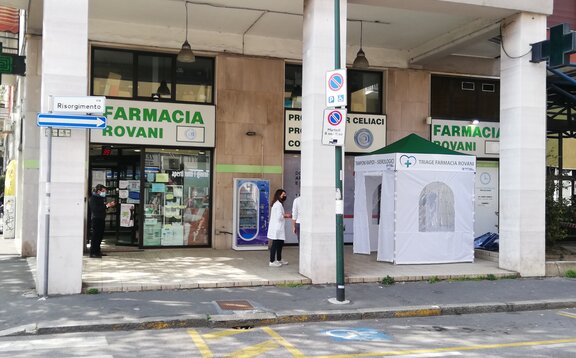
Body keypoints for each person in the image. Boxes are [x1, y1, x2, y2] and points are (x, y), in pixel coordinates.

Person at [88, 184, 115, 258]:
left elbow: (102, 208)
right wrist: (106, 206)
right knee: (95, 236)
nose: (104, 193)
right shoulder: (93, 198)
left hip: (101, 219)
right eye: (103, 191)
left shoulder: (100, 198)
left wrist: (107, 206)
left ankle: (97, 251)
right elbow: (96, 209)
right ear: (98, 191)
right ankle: (93, 252)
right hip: (96, 219)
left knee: (100, 236)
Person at [267, 189, 291, 267]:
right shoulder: (278, 204)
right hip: (276, 228)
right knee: (275, 244)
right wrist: (286, 215)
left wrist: (284, 215)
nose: (284, 196)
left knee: (280, 244)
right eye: (283, 194)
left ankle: (279, 259)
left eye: (285, 194)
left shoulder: (279, 204)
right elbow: (279, 217)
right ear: (279, 195)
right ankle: (272, 261)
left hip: (278, 227)